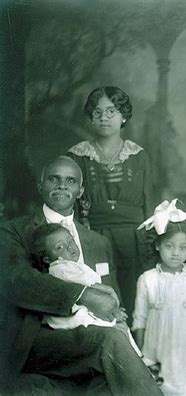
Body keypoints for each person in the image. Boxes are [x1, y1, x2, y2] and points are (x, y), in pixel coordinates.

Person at [0, 156, 162, 394]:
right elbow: (18, 282)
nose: (62, 185)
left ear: (80, 190)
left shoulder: (98, 242)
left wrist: (118, 318)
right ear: (40, 185)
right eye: (54, 179)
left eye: (70, 181)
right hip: (37, 337)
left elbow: (110, 296)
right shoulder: (13, 231)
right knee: (109, 342)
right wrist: (83, 296)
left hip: (90, 335)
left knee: (115, 369)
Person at [68, 86, 155, 323]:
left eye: (111, 111)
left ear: (123, 116)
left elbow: (149, 201)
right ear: (90, 117)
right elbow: (71, 205)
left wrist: (149, 241)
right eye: (97, 112)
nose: (104, 117)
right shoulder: (77, 155)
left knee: (133, 291)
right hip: (93, 233)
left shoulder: (138, 156)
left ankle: (136, 349)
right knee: (101, 289)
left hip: (132, 236)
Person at [133, 199, 186, 396]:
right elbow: (140, 320)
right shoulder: (148, 280)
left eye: (182, 247)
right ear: (157, 246)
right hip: (156, 351)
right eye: (169, 246)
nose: (176, 253)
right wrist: (142, 359)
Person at [31, 223, 142, 356]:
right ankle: (138, 359)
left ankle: (137, 358)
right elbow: (89, 288)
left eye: (70, 241)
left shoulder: (70, 266)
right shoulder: (61, 269)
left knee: (121, 329)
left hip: (82, 313)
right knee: (119, 330)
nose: (69, 247)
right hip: (75, 319)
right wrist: (108, 291)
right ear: (47, 259)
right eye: (60, 247)